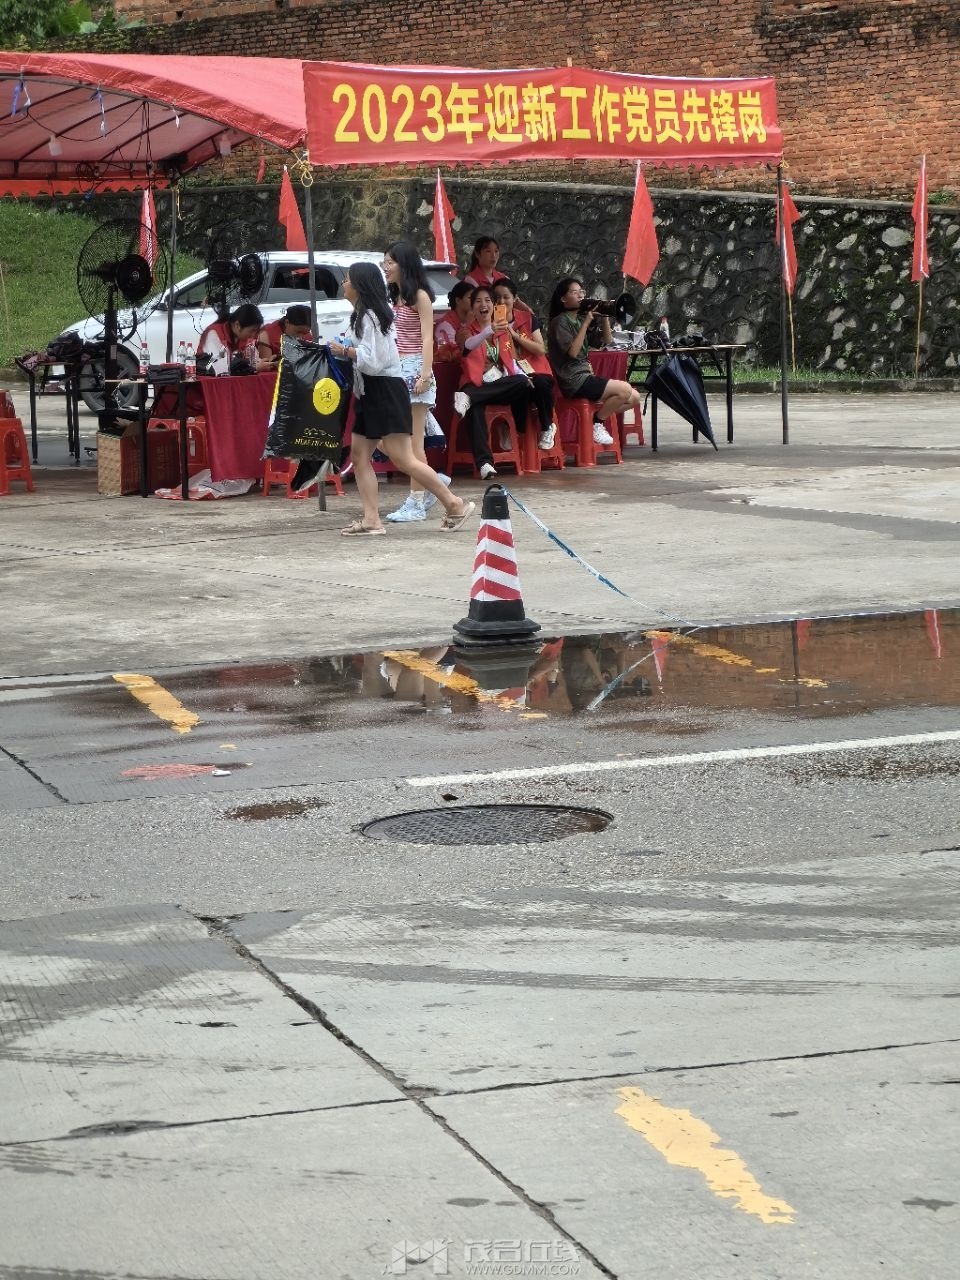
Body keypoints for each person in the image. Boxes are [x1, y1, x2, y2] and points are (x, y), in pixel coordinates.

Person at [328, 262, 475, 537]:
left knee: (404, 459)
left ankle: (454, 504)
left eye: (347, 279)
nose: (343, 284)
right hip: (369, 392)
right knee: (359, 456)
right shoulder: (361, 316)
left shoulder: (372, 317)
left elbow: (374, 361)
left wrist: (346, 352)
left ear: (359, 284)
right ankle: (371, 520)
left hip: (384, 391)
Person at [381, 241, 451, 524]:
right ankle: (432, 480)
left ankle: (417, 502)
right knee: (385, 438)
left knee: (413, 443)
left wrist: (425, 374)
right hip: (396, 370)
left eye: (390, 262)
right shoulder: (395, 296)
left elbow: (427, 338)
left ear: (404, 264)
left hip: (414, 369)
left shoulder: (420, 296)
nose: (385, 267)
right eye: (385, 262)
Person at [547, 277, 642, 445]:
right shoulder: (560, 322)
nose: (580, 296)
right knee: (625, 390)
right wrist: (586, 323)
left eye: (581, 292)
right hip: (573, 381)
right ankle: (596, 422)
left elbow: (607, 341)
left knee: (634, 397)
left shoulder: (580, 319)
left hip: (586, 377)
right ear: (563, 298)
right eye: (574, 292)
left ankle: (593, 420)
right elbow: (573, 353)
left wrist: (604, 315)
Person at [457, 285, 532, 479]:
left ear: (494, 305)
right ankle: (485, 464)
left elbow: (511, 361)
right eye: (478, 301)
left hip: (497, 386)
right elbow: (468, 345)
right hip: (475, 382)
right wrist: (487, 331)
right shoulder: (465, 331)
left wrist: (523, 375)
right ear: (473, 308)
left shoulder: (503, 331)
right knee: (474, 409)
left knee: (522, 382)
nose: (483, 305)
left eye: (488, 300)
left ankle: (469, 397)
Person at [492, 276, 556, 451]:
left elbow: (540, 349)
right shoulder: (491, 322)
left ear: (514, 298)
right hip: (511, 372)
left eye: (506, 297)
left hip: (536, 370)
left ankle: (547, 427)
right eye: (496, 298)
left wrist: (515, 336)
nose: (501, 301)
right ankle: (511, 428)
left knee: (540, 384)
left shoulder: (527, 318)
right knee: (519, 387)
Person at [197, 302, 263, 378]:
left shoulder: (240, 337)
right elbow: (221, 369)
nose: (254, 336)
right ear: (237, 325)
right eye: (252, 331)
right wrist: (254, 368)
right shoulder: (214, 334)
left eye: (257, 331)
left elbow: (252, 359)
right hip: (208, 381)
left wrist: (264, 362)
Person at [434, 280, 474, 352]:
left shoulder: (475, 320)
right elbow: (449, 354)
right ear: (458, 300)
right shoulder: (444, 325)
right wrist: (468, 327)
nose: (475, 302)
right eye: (470, 298)